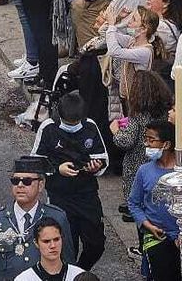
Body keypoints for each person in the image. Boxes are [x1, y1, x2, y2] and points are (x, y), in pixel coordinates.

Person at [29, 92, 108, 269]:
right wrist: (58, 169)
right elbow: (36, 162)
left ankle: (79, 271)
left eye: (76, 123)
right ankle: (67, 274)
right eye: (68, 124)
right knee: (66, 244)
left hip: (87, 195)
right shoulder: (48, 128)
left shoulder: (90, 126)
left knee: (96, 243)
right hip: (60, 196)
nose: (73, 126)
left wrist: (96, 167)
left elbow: (102, 157)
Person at [127, 120, 182, 281]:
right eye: (146, 139)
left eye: (151, 140)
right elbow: (133, 203)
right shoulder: (144, 171)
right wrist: (147, 225)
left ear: (166, 144)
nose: (147, 144)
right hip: (155, 237)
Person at [12, 218, 84, 281]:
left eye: (56, 239)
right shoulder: (24, 279)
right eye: (46, 241)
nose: (53, 245)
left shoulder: (78, 275)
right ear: (36, 243)